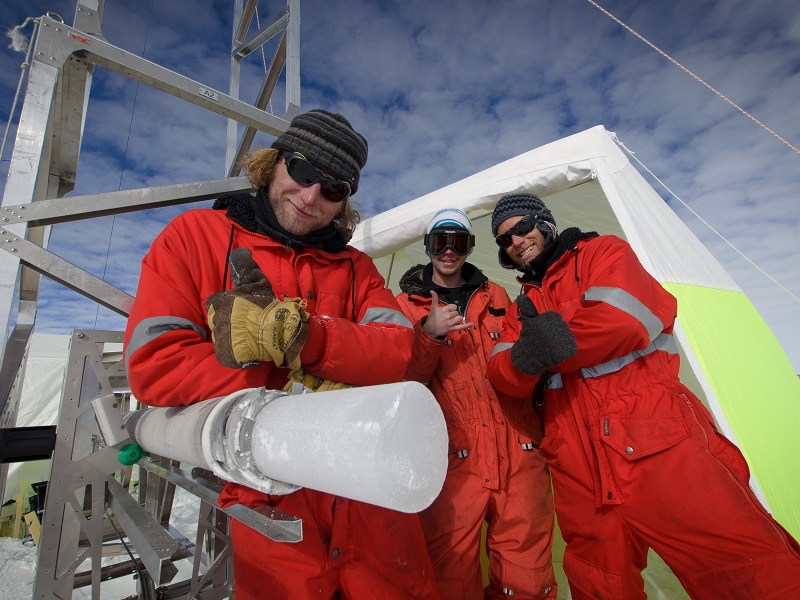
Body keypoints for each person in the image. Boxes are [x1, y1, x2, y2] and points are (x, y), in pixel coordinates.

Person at [124, 109, 441, 599]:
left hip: (367, 488)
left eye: (333, 189)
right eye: (303, 170)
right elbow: (157, 363)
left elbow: (401, 352)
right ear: (272, 164)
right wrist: (292, 390)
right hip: (268, 491)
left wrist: (307, 339)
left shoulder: (357, 269)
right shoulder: (194, 238)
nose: (312, 196)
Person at [486, 192, 800, 599]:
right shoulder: (519, 306)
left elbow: (626, 318)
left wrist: (549, 351)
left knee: (747, 571)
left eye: (521, 227)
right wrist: (523, 361)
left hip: (658, 442)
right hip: (576, 467)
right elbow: (502, 373)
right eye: (503, 239)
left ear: (543, 223)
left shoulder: (602, 252)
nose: (514, 241)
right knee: (598, 585)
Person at [395, 208, 557, 600]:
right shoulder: (402, 306)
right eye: (440, 242)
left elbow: (521, 370)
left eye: (458, 242)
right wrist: (428, 335)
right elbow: (401, 384)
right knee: (447, 576)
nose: (448, 252)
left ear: (469, 247)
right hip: (450, 463)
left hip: (520, 455)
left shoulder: (500, 296)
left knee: (527, 580)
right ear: (428, 246)